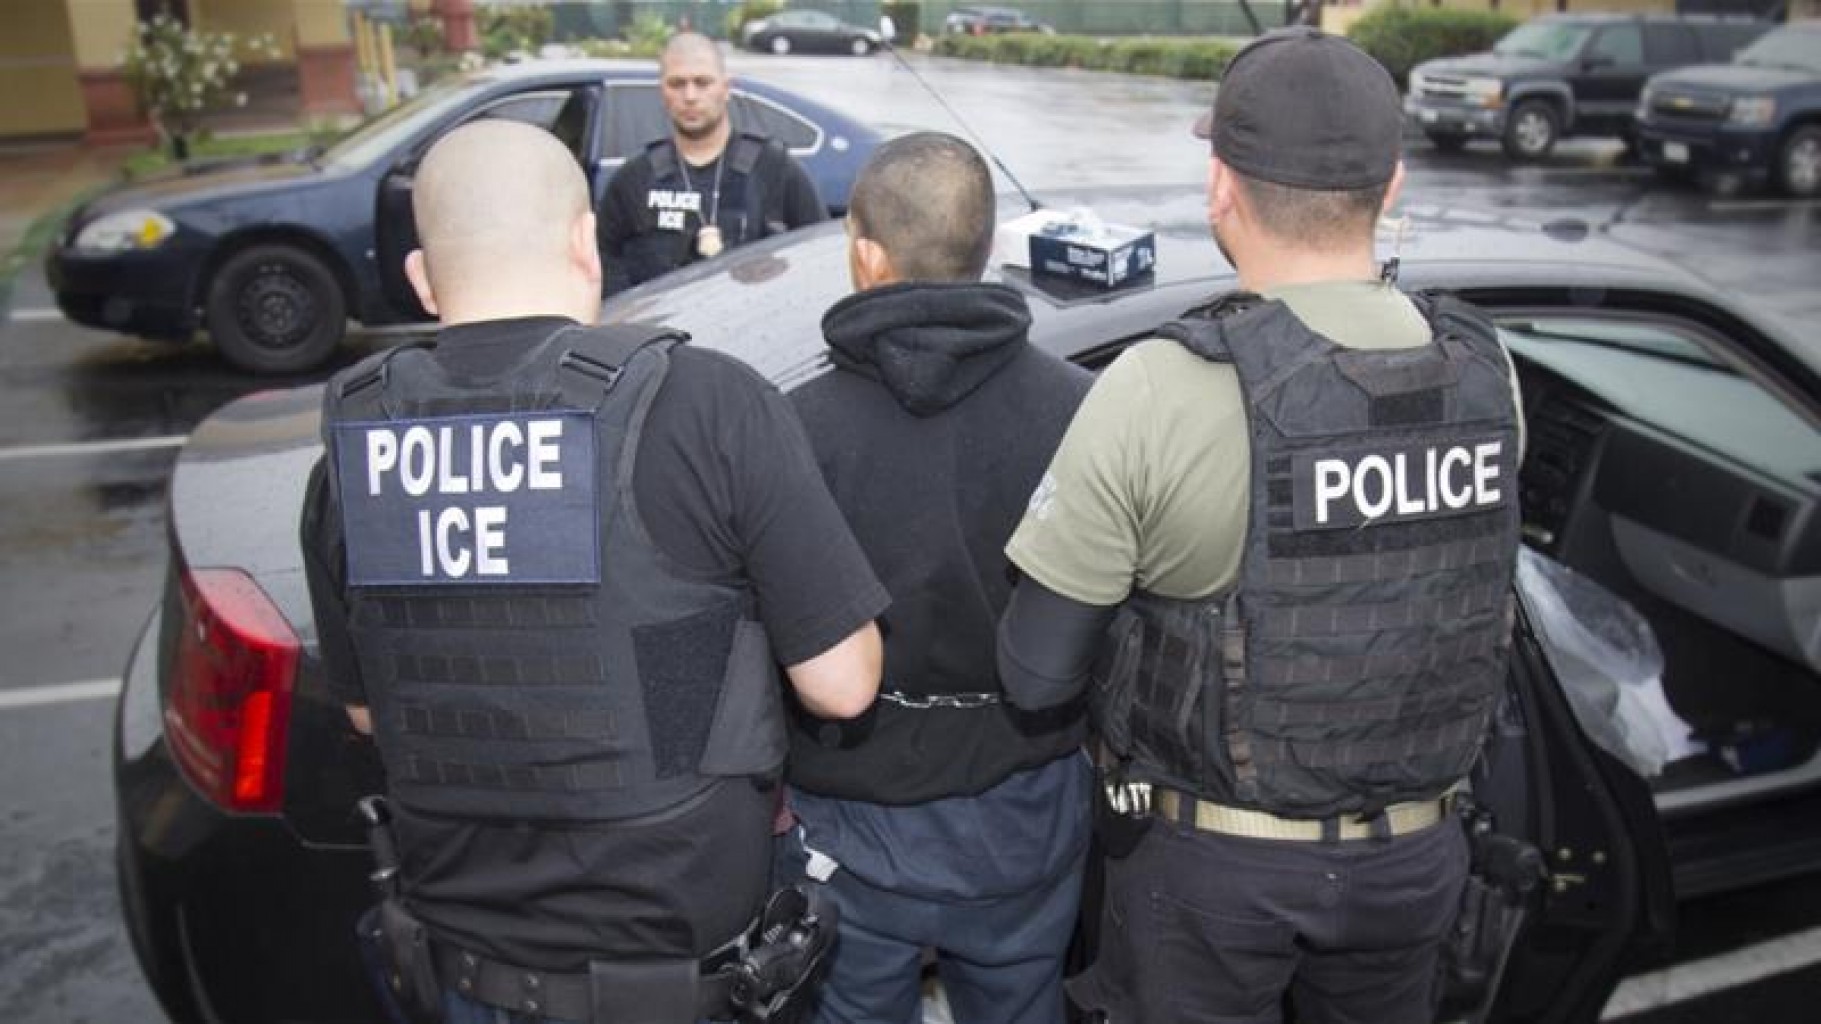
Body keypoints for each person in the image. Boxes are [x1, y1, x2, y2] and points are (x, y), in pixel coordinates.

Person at [299, 119, 888, 1024]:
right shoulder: (707, 405)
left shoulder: (354, 452)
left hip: (461, 971)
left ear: (421, 278)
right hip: (673, 980)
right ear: (587, 244)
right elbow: (843, 685)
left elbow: (371, 712)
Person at [995, 27, 1525, 1024]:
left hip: (1213, 881)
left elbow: (1035, 671)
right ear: (1394, 184)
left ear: (1221, 189)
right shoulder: (1489, 376)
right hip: (1418, 862)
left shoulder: (1164, 385)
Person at [779, 132, 1094, 1024]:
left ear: (865, 254)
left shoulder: (794, 429)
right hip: (1025, 813)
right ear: (983, 248)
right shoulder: (1081, 410)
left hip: (849, 824)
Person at [599, 32, 827, 296]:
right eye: (677, 84)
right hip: (661, 330)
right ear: (662, 91)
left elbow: (816, 254)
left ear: (725, 88)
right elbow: (605, 263)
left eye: (702, 82)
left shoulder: (774, 168)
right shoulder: (634, 178)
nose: (690, 96)